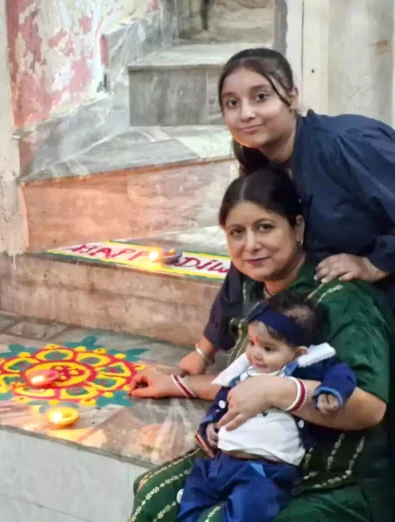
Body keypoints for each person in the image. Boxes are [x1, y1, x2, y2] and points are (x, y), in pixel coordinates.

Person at [129, 166, 393, 522]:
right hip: (250, 457)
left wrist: (281, 392)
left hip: (338, 474)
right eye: (237, 232)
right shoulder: (260, 295)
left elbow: (371, 408)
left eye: (264, 227)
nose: (250, 245)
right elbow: (250, 380)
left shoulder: (342, 298)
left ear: (297, 228)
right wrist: (177, 383)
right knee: (153, 496)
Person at [178, 47, 395, 377]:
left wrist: (372, 263)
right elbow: (248, 264)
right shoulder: (260, 165)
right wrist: (204, 350)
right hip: (341, 314)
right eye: (232, 103)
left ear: (291, 98)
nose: (246, 113)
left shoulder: (348, 143)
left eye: (261, 97)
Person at [178, 292, 356, 522]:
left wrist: (331, 391)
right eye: (251, 343)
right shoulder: (245, 369)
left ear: (298, 352)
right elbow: (224, 396)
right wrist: (212, 422)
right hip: (220, 463)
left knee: (248, 510)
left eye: (268, 349)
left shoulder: (306, 367)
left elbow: (342, 373)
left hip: (264, 471)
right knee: (193, 494)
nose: (255, 354)